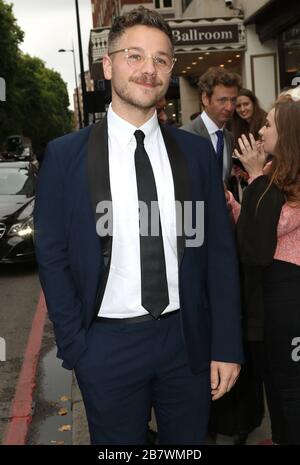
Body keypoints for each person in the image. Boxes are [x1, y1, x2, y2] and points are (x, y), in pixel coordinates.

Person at [34, 7, 243, 445]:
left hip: (186, 340)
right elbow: (52, 255)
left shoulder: (196, 154)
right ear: (108, 65)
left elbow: (220, 256)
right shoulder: (65, 157)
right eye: (135, 56)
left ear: (171, 69)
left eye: (161, 59)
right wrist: (77, 346)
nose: (149, 69)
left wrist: (225, 344)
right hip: (105, 345)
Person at [226, 100, 300, 444]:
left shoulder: (290, 179)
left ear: (285, 135)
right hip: (270, 301)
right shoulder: (274, 173)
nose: (261, 131)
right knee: (277, 389)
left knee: (291, 391)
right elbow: (254, 230)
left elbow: (263, 239)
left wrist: (256, 176)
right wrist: (231, 202)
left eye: (268, 125)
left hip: (290, 299)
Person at [181, 67, 241, 184]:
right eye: (222, 100)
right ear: (205, 99)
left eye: (233, 100)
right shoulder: (185, 136)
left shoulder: (229, 138)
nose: (229, 107)